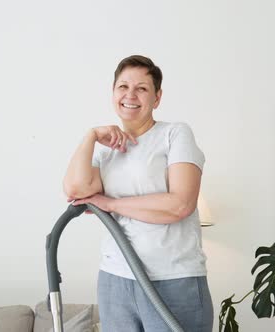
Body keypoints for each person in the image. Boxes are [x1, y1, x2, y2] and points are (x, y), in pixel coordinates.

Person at [63, 55, 213, 332]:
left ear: (156, 98)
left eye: (142, 88)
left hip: (173, 279)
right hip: (115, 279)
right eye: (123, 87)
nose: (130, 95)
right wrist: (91, 136)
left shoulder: (175, 134)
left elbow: (180, 204)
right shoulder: (107, 148)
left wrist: (110, 204)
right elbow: (74, 189)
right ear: (113, 93)